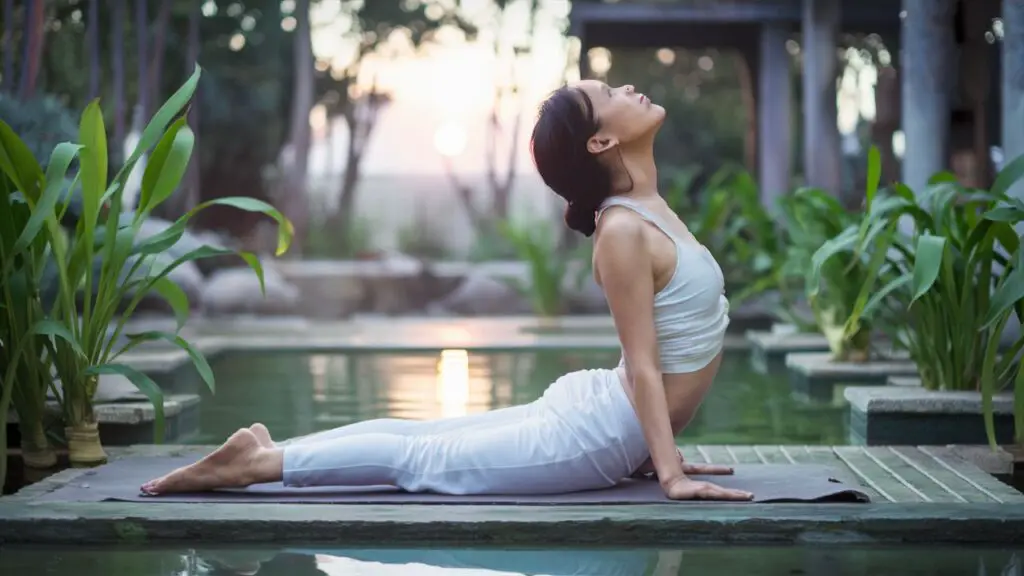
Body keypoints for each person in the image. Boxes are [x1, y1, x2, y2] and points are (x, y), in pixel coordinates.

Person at [140, 81, 753, 502]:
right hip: (593, 438)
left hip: (607, 422)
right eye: (610, 95)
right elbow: (645, 365)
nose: (629, 90)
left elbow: (667, 350)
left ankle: (271, 449)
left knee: (427, 439)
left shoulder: (646, 208)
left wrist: (657, 449)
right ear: (600, 142)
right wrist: (669, 474)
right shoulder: (621, 229)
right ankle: (259, 464)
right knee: (425, 458)